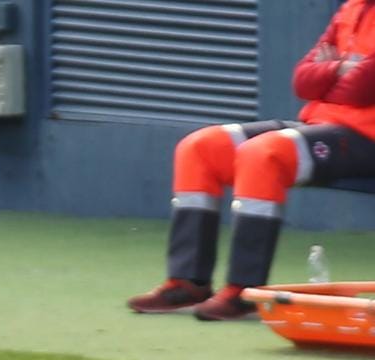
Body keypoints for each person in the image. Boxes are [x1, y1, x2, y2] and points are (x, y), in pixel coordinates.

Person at [128, 0, 375, 321]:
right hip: (319, 126)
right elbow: (302, 80)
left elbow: (362, 88)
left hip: (364, 139)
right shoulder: (352, 7)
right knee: (200, 147)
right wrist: (339, 69)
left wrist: (330, 72)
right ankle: (188, 282)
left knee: (262, 154)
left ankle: (243, 290)